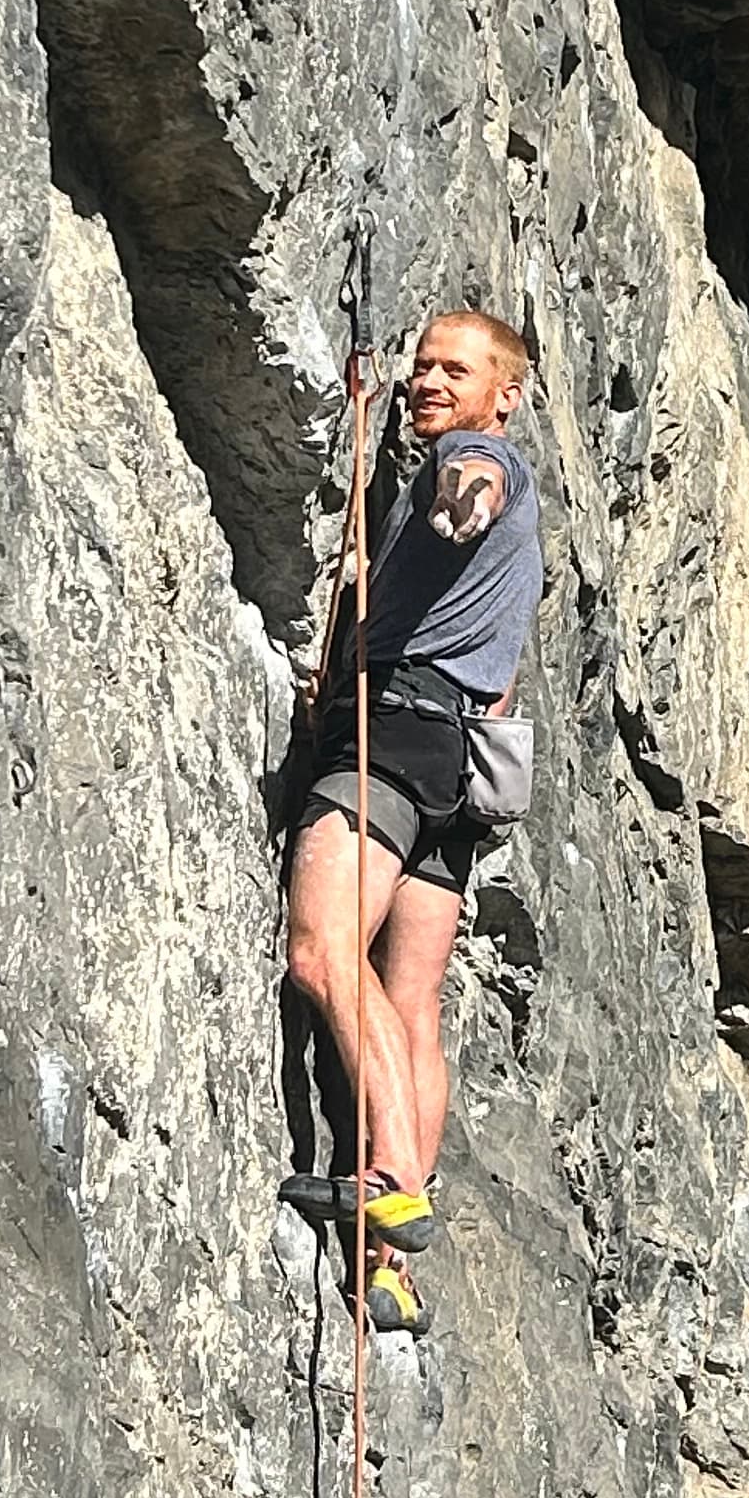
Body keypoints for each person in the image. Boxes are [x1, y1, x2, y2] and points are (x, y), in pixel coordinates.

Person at [280, 307, 542, 1336]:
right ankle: (390, 1265)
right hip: (458, 773)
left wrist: (455, 499)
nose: (431, 380)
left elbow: (468, 489)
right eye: (424, 366)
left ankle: (388, 1174)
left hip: (390, 735)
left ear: (504, 395)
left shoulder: (483, 462)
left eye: (457, 369)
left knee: (319, 952)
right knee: (414, 1002)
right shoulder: (511, 514)